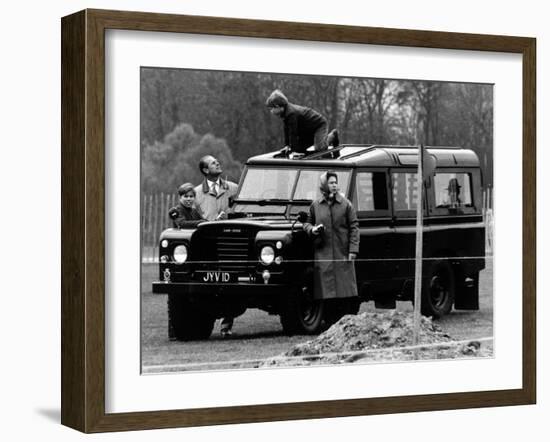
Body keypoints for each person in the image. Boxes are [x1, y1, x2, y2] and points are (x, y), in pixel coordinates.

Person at [194, 155, 239, 337]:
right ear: (205, 170)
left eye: (217, 161)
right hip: (207, 246)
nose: (218, 163)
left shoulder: (234, 188)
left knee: (233, 284)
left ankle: (227, 324)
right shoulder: (196, 193)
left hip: (231, 244)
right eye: (213, 163)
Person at [303, 171, 360, 305]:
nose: (334, 185)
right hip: (323, 254)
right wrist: (313, 229)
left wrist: (353, 250)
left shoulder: (346, 204)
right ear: (324, 185)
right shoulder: (316, 205)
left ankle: (344, 315)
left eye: (336, 182)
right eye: (331, 183)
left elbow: (354, 227)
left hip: (342, 253)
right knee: (325, 291)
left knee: (345, 291)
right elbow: (306, 223)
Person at [266, 89, 339, 155]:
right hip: (307, 130)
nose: (271, 111)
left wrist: (294, 151)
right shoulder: (285, 112)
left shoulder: (291, 113)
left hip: (318, 125)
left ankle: (332, 136)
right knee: (299, 149)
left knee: (319, 149)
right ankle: (317, 140)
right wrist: (287, 146)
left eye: (271, 108)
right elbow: (287, 130)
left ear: (277, 106)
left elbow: (293, 133)